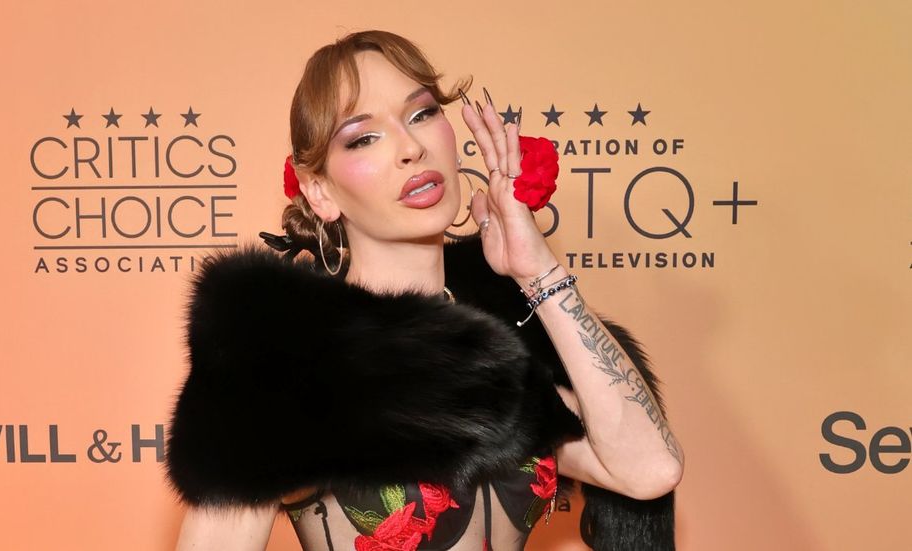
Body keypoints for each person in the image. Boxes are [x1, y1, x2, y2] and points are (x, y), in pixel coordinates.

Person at [165, 29, 684, 551]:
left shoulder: (502, 343)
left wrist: (537, 272)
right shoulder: (281, 364)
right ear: (319, 190)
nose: (412, 148)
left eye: (421, 114)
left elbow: (650, 470)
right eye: (363, 137)